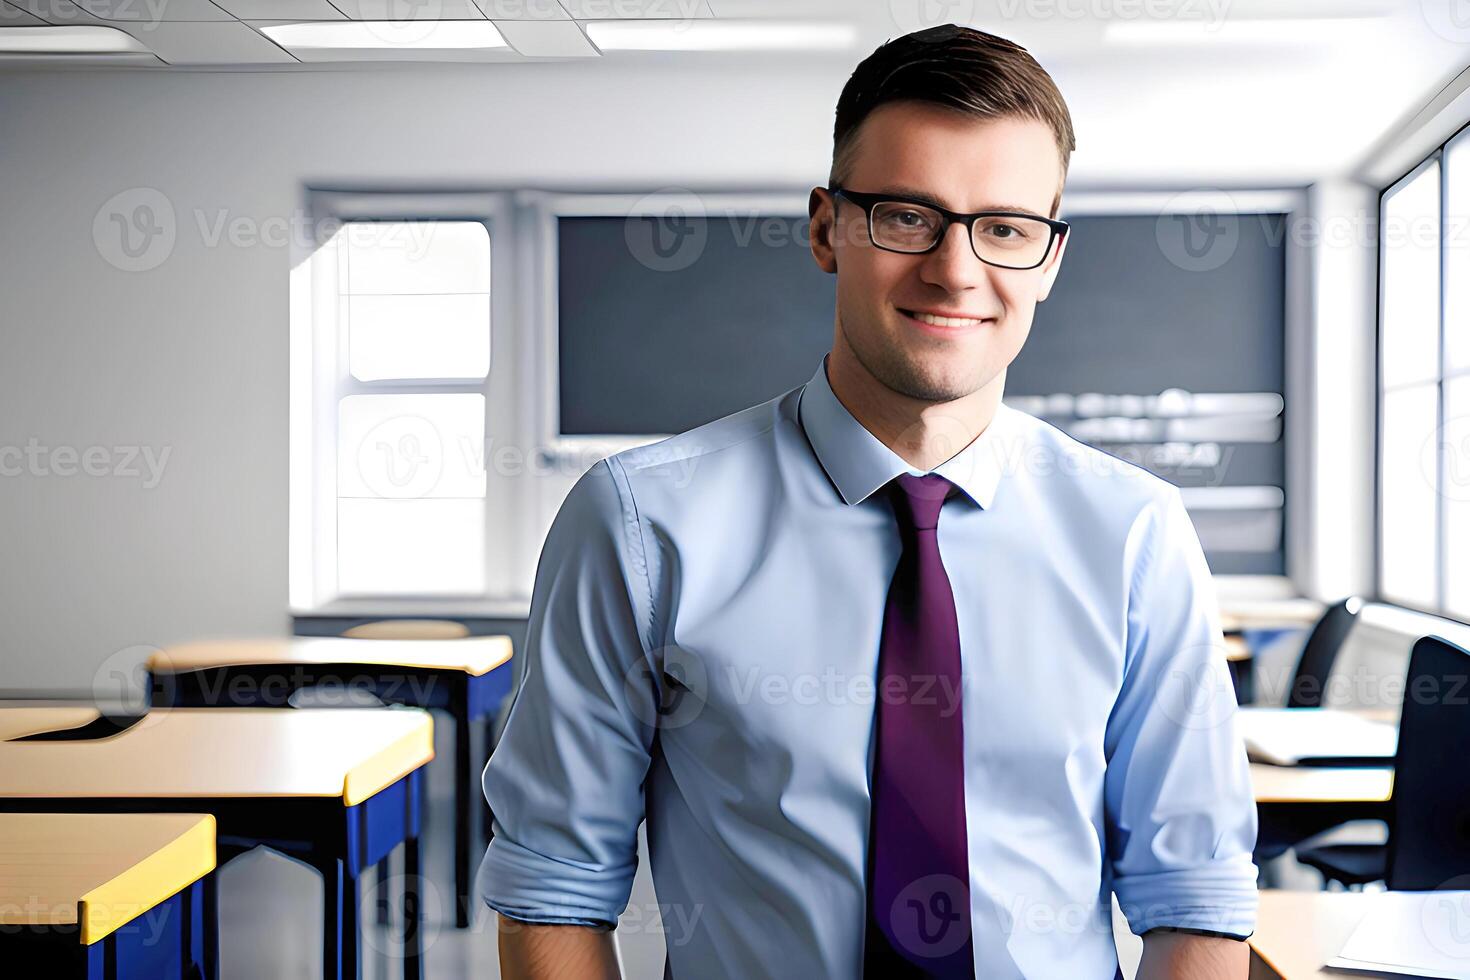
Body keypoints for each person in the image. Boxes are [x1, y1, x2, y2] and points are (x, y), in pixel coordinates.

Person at [481, 23, 1258, 980]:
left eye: (1005, 227)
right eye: (906, 216)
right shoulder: (641, 527)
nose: (956, 270)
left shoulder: (1136, 533)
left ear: (1050, 258)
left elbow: (1197, 905)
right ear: (825, 228)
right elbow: (554, 891)